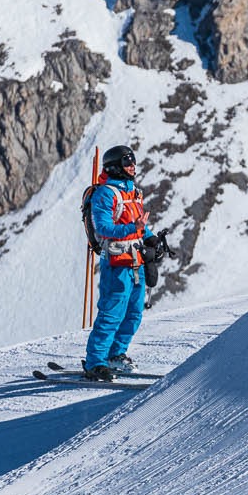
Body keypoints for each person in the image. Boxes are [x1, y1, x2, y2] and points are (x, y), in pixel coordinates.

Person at [82, 144, 158, 381]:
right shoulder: (106, 194)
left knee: (134, 312)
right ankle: (96, 362)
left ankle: (116, 354)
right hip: (116, 263)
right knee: (112, 312)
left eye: (133, 161)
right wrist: (133, 229)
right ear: (115, 167)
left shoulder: (133, 192)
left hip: (136, 262)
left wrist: (150, 237)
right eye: (127, 162)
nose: (132, 166)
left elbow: (138, 225)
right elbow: (103, 227)